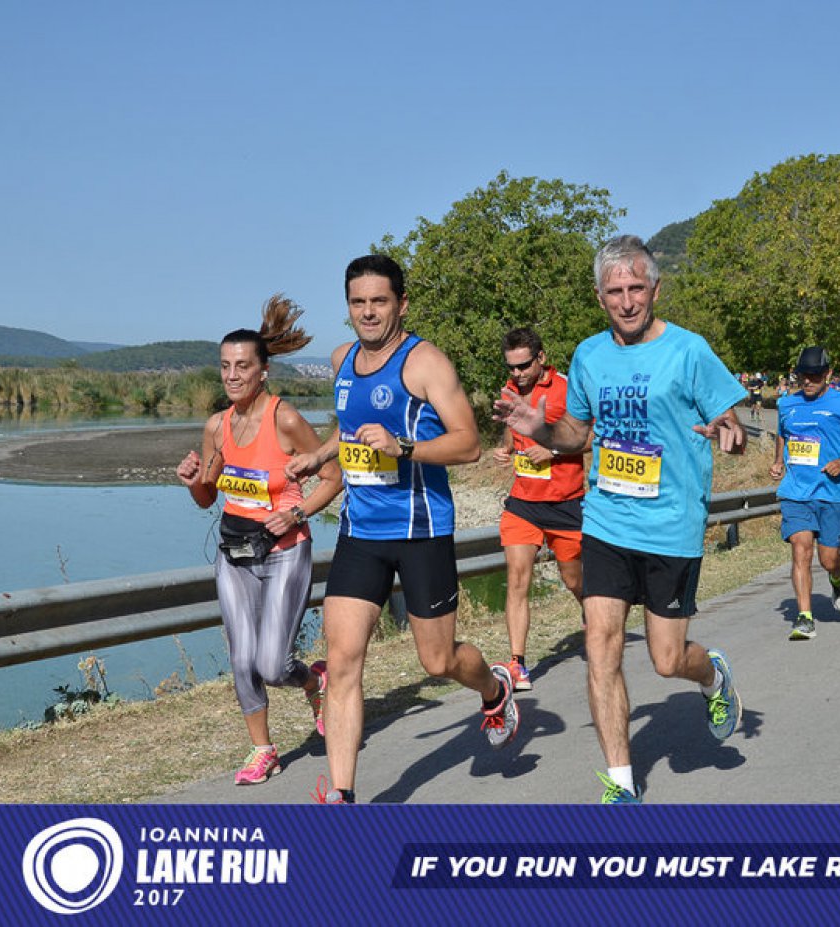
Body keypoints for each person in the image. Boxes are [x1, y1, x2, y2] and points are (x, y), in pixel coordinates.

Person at [493, 235, 746, 804]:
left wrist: (731, 435)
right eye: (615, 291)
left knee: (666, 659)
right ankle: (622, 782)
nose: (627, 301)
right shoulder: (589, 355)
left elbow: (731, 425)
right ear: (599, 296)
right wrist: (540, 428)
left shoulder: (689, 351)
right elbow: (577, 434)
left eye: (637, 288)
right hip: (606, 521)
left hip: (671, 525)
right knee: (601, 643)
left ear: (655, 288)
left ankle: (711, 675)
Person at [286, 254, 519, 804]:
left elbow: (469, 443)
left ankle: (494, 689)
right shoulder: (342, 359)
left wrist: (404, 447)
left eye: (379, 301)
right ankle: (342, 796)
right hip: (360, 532)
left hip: (420, 531)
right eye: (358, 302)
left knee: (437, 661)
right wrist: (319, 454)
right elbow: (349, 428)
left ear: (402, 304)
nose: (368, 312)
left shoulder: (425, 363)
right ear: (348, 307)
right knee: (343, 661)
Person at [176, 295, 342, 785]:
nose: (232, 376)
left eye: (242, 366)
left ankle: (314, 679)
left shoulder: (284, 419)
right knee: (242, 657)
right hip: (234, 553)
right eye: (225, 366)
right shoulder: (217, 427)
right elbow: (208, 497)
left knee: (273, 663)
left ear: (263, 371)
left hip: (284, 551)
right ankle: (262, 750)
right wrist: (193, 481)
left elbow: (332, 477)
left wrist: (295, 512)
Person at [492, 327, 587, 690]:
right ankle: (517, 663)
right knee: (517, 579)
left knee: (574, 580)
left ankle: (595, 612)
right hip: (523, 504)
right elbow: (511, 430)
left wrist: (554, 449)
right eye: (511, 367)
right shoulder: (509, 390)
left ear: (541, 358)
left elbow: (592, 435)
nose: (517, 374)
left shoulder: (567, 388)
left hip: (565, 502)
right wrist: (506, 449)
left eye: (524, 366)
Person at [768, 346, 840, 641]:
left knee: (828, 559)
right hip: (796, 492)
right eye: (802, 375)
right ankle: (805, 617)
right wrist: (778, 461)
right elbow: (783, 434)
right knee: (800, 548)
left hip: (831, 493)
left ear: (828, 374)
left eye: (815, 375)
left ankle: (838, 578)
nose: (808, 381)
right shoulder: (787, 404)